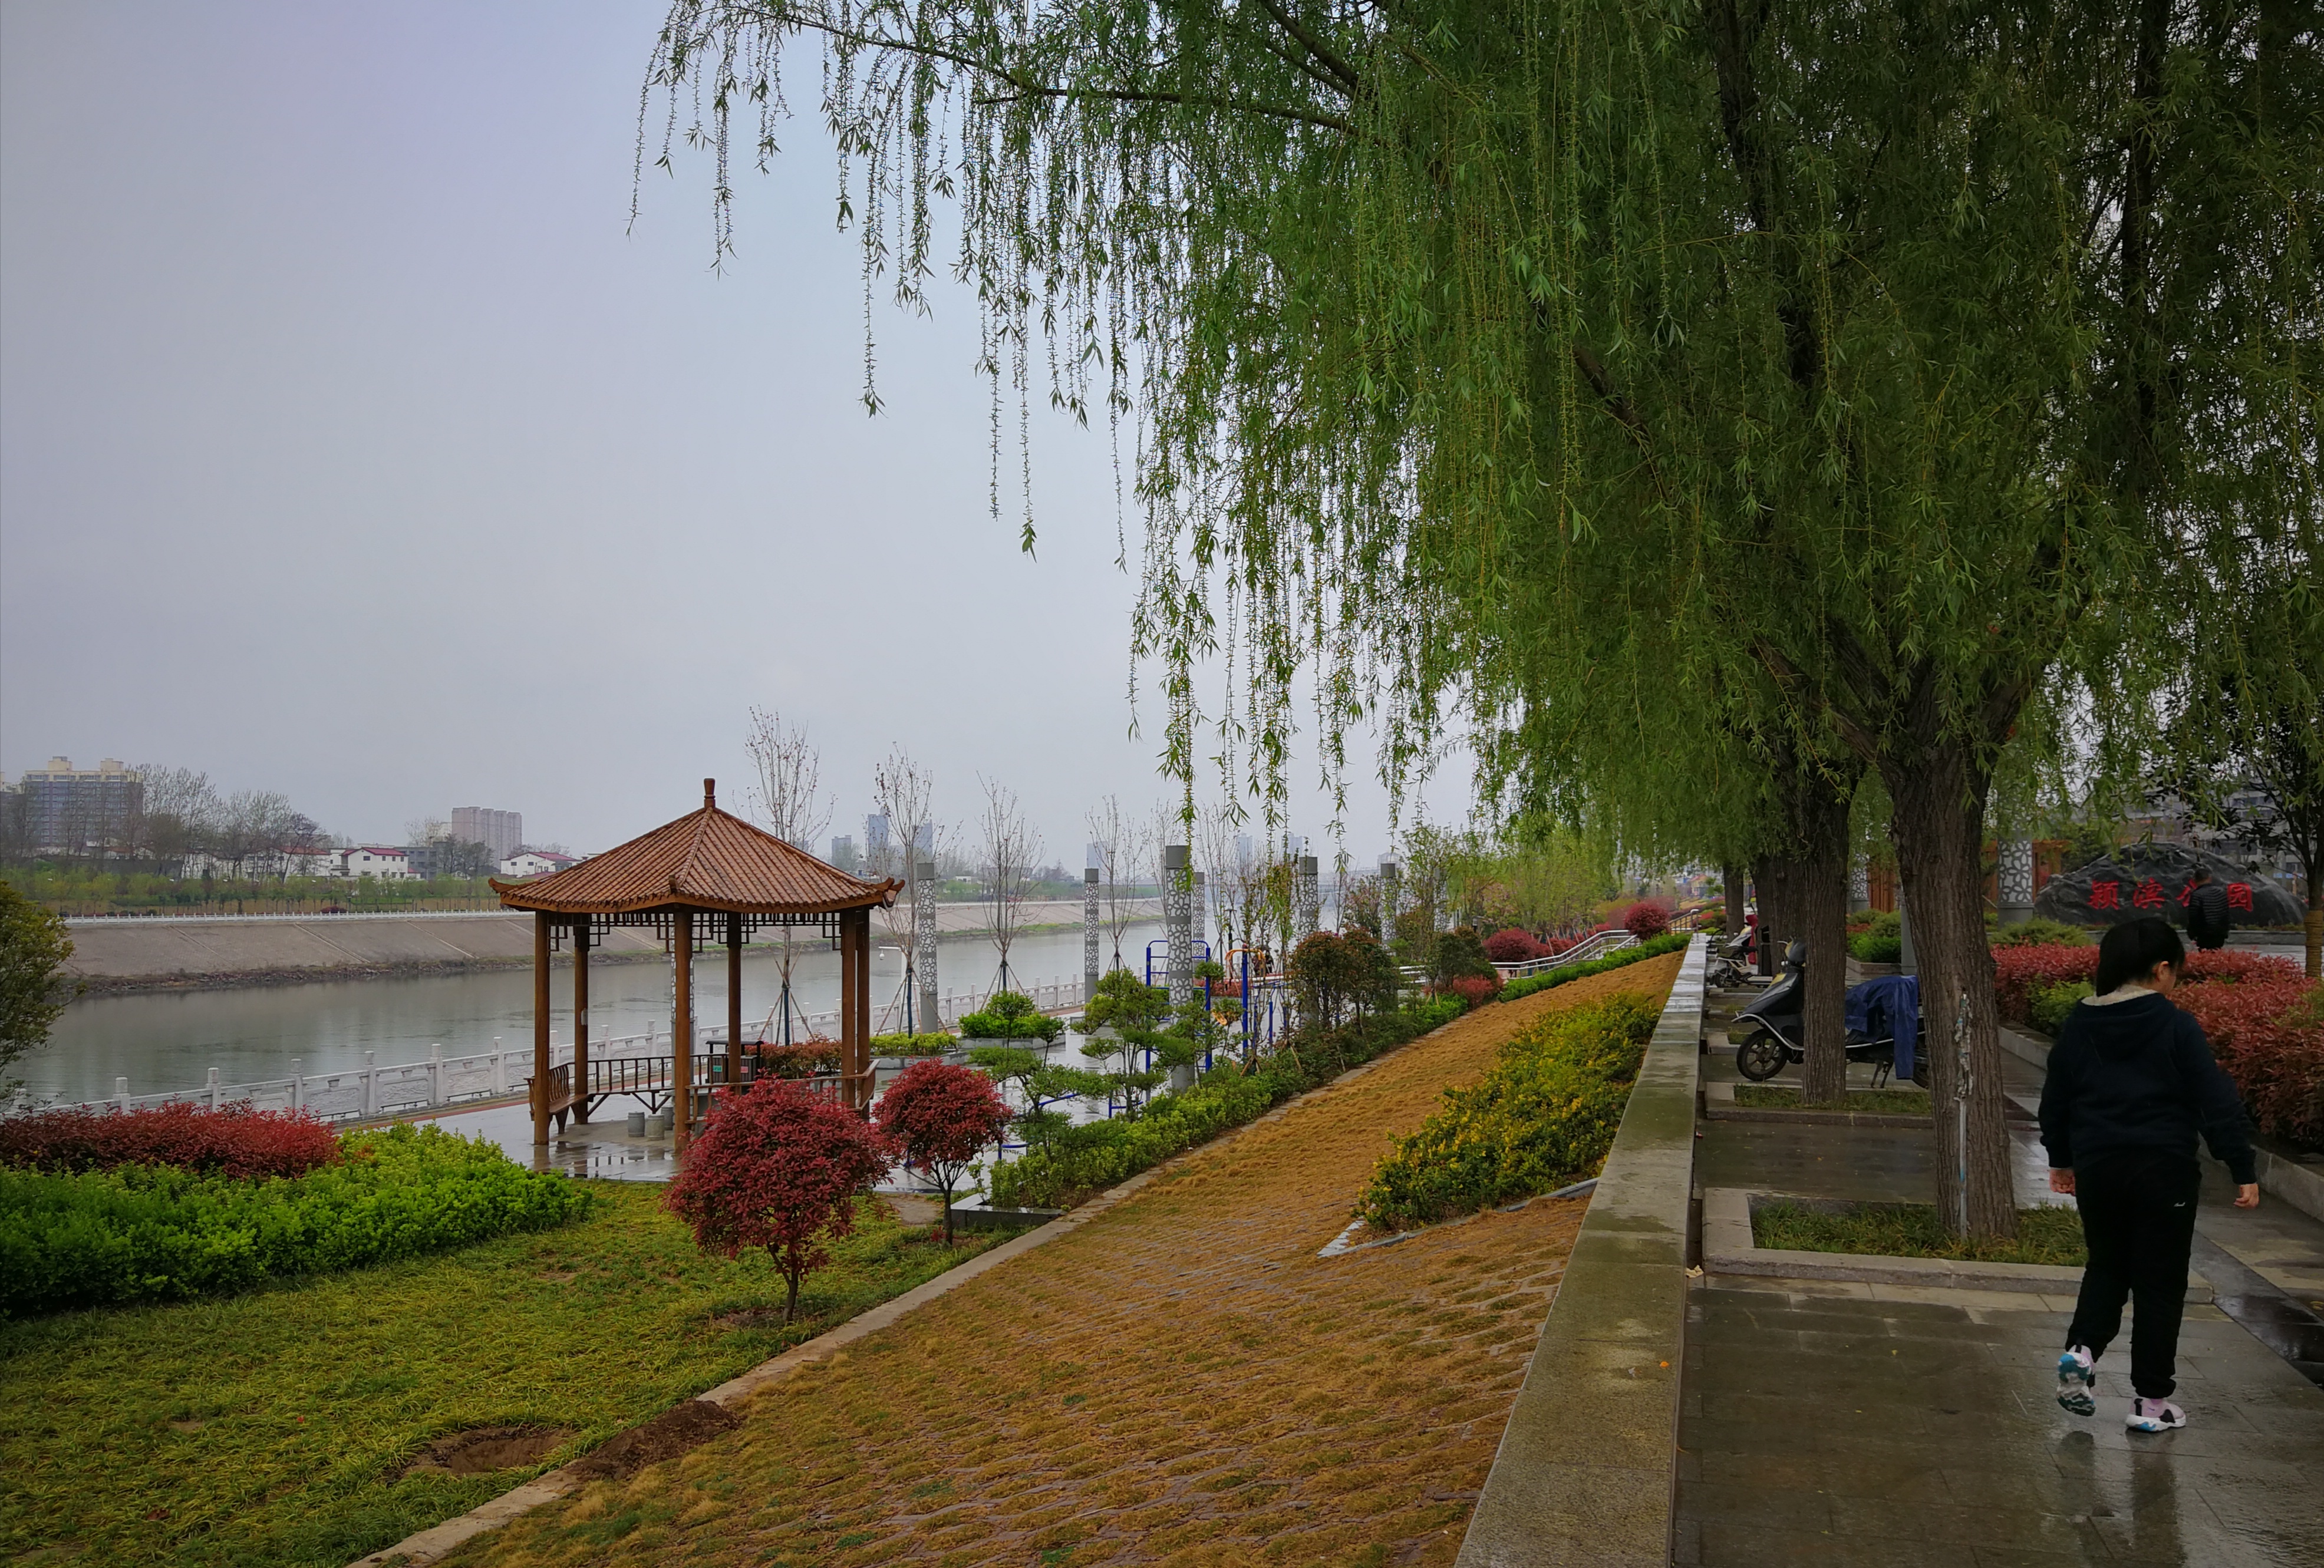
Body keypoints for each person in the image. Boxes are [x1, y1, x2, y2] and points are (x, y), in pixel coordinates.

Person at [2038, 916, 2259, 1432]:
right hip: (2164, 1171)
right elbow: (2215, 1100)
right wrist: (2240, 1165)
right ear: (2162, 969)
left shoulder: (2079, 1023)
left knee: (2106, 1266)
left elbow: (2056, 1099)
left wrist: (2061, 1159)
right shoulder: (2175, 1025)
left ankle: (2081, 1352)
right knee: (2159, 1283)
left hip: (2098, 1168)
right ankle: (2151, 1405)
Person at [2184, 866, 2231, 952]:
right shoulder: (2221, 892)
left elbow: (2194, 917)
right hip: (2220, 934)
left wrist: (2192, 934)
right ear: (2210, 878)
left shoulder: (2197, 895)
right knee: (2217, 955)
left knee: (2205, 956)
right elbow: (2226, 914)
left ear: (2195, 880)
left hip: (2204, 935)